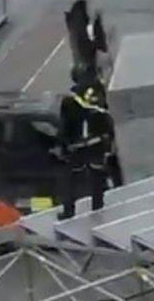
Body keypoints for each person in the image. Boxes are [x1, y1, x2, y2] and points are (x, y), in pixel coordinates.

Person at [57, 84, 116, 220]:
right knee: (87, 178)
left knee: (81, 179)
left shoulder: (73, 105)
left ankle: (77, 210)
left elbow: (64, 127)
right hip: (87, 147)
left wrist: (63, 145)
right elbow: (107, 126)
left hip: (85, 148)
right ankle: (88, 208)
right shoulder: (78, 105)